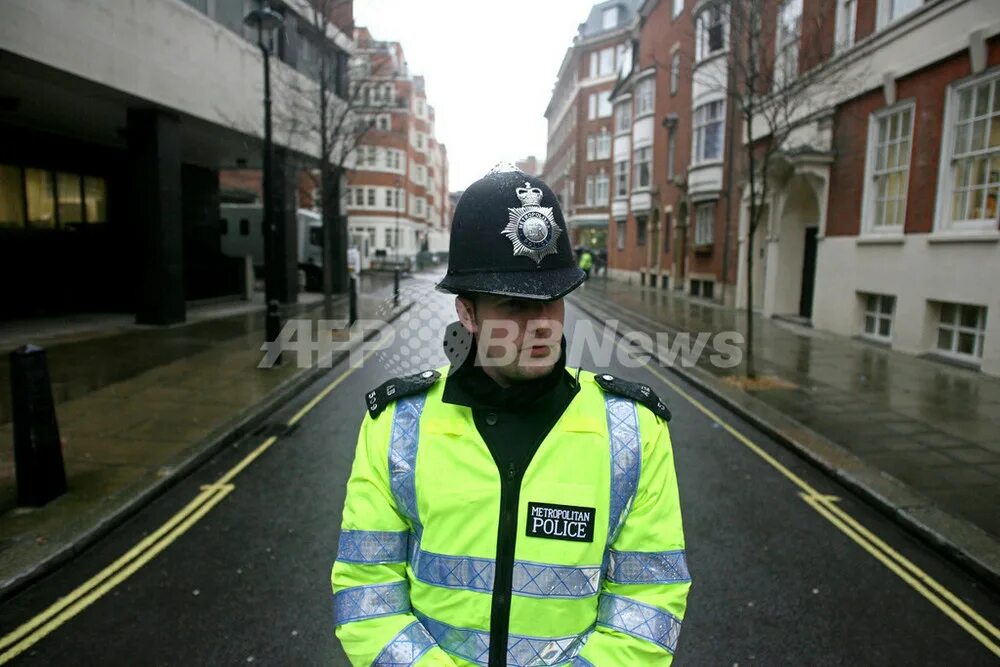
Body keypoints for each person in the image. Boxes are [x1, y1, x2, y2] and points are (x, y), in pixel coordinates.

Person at [331, 165, 690, 666]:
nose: (542, 324)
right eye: (515, 305)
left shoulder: (632, 429)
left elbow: (648, 603)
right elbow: (367, 596)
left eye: (554, 300)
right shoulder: (397, 424)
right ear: (468, 314)